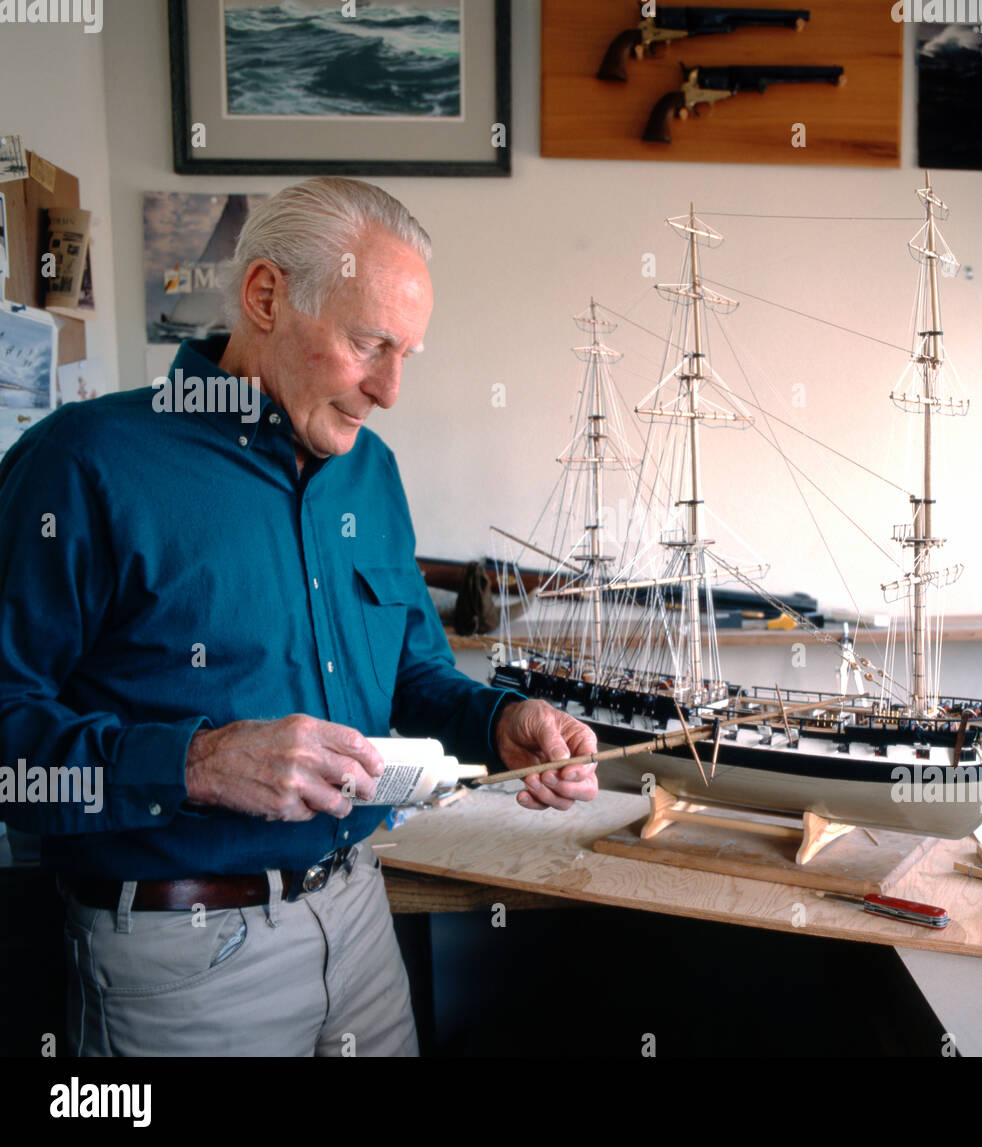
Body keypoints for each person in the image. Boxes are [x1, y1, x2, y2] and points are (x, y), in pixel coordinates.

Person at [0, 177, 598, 1057]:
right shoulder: (81, 464)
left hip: (359, 918)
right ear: (266, 296)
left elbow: (412, 675)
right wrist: (196, 763)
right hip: (182, 965)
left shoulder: (372, 471)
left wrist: (502, 722)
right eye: (368, 344)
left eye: (408, 354)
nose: (390, 389)